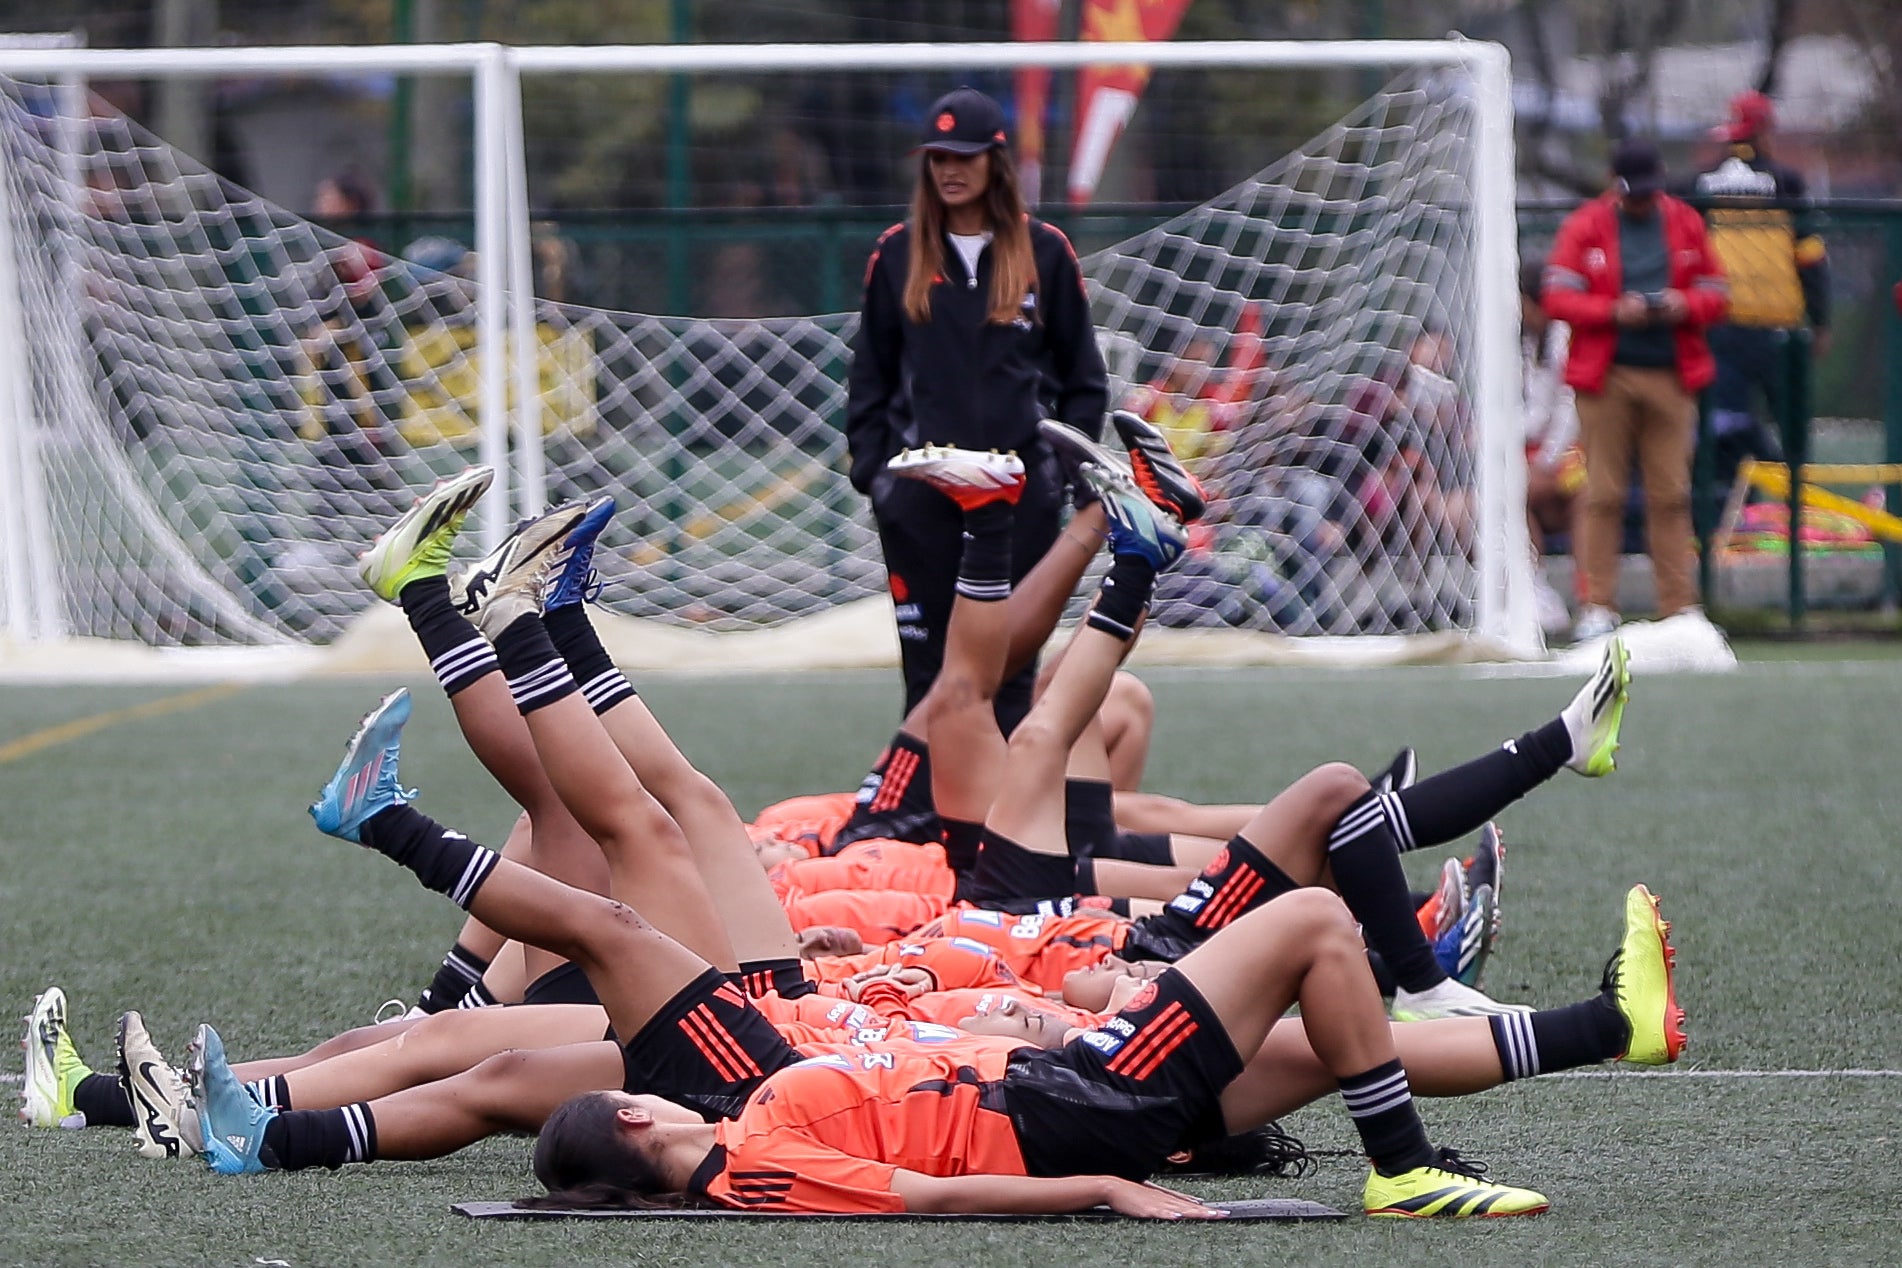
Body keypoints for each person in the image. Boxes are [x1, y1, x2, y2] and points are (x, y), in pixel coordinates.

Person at [844, 86, 1115, 734]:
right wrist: (878, 478)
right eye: (937, 157)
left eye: (963, 156)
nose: (949, 170)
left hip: (1019, 500)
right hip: (920, 502)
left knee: (1009, 669)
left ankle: (1004, 820)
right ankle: (922, 817)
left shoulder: (1045, 250)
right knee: (929, 668)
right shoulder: (897, 252)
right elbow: (869, 379)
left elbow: (1084, 380)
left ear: (997, 160)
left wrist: (1065, 479)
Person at [1544, 138, 1728, 643]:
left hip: (1672, 373)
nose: (1644, 202)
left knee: (1671, 494)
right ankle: (1597, 606)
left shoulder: (1686, 221)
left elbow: (1718, 291)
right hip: (1608, 376)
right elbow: (1558, 294)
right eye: (1634, 194)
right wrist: (1611, 311)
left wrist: (1681, 304)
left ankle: (1679, 607)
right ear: (1614, 184)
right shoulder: (1585, 225)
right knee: (1602, 493)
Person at [1692, 90, 1831, 493]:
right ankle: (1793, 507)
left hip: (1721, 322)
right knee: (1791, 427)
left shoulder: (1700, 183)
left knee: (1724, 426)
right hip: (1777, 324)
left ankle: (1731, 508)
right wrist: (1820, 319)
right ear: (1766, 132)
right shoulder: (1787, 182)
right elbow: (1809, 254)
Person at [1520, 258, 1584, 638]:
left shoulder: (1564, 335)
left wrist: (1546, 461)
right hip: (1549, 451)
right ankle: (1533, 588)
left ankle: (1578, 599)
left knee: (1514, 489)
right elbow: (1537, 411)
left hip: (1577, 453)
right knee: (1502, 493)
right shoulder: (1534, 340)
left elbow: (1568, 407)